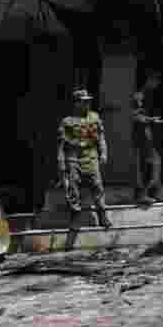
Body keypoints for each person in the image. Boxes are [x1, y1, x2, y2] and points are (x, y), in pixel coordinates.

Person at [56, 88, 111, 229]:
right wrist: (61, 163)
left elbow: (101, 138)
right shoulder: (67, 122)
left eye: (88, 102)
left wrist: (104, 153)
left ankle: (102, 215)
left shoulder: (94, 117)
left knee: (97, 186)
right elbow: (61, 146)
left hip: (91, 155)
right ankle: (75, 217)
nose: (87, 104)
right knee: (73, 188)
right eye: (83, 102)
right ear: (76, 104)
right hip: (74, 157)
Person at [131, 76, 163, 206]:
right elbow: (136, 116)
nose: (157, 84)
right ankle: (143, 195)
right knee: (145, 166)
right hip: (141, 137)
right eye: (155, 80)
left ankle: (150, 193)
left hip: (147, 136)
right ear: (149, 80)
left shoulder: (148, 95)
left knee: (154, 163)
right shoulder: (139, 96)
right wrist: (152, 120)